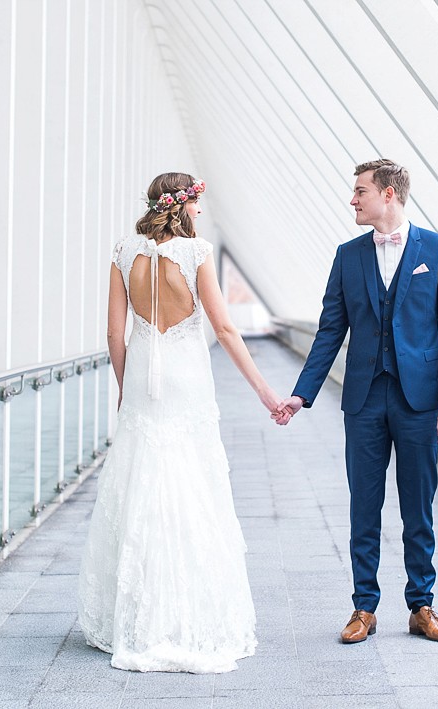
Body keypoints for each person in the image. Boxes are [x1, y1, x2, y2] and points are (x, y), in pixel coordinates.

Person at [78, 172, 288, 673]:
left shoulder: (123, 253)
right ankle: (189, 612)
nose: (200, 212)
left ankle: (136, 615)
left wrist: (126, 387)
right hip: (186, 382)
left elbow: (114, 331)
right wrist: (267, 394)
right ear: (186, 204)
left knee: (140, 485)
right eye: (197, 204)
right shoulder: (196, 254)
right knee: (194, 482)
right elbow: (224, 327)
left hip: (144, 384)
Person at [274, 159, 438, 644]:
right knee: (365, 502)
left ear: (388, 194)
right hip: (363, 398)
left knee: (417, 505)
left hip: (420, 400)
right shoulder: (348, 255)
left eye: (360, 191)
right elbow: (330, 330)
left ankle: (422, 606)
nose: (353, 199)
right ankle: (364, 607)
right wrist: (302, 393)